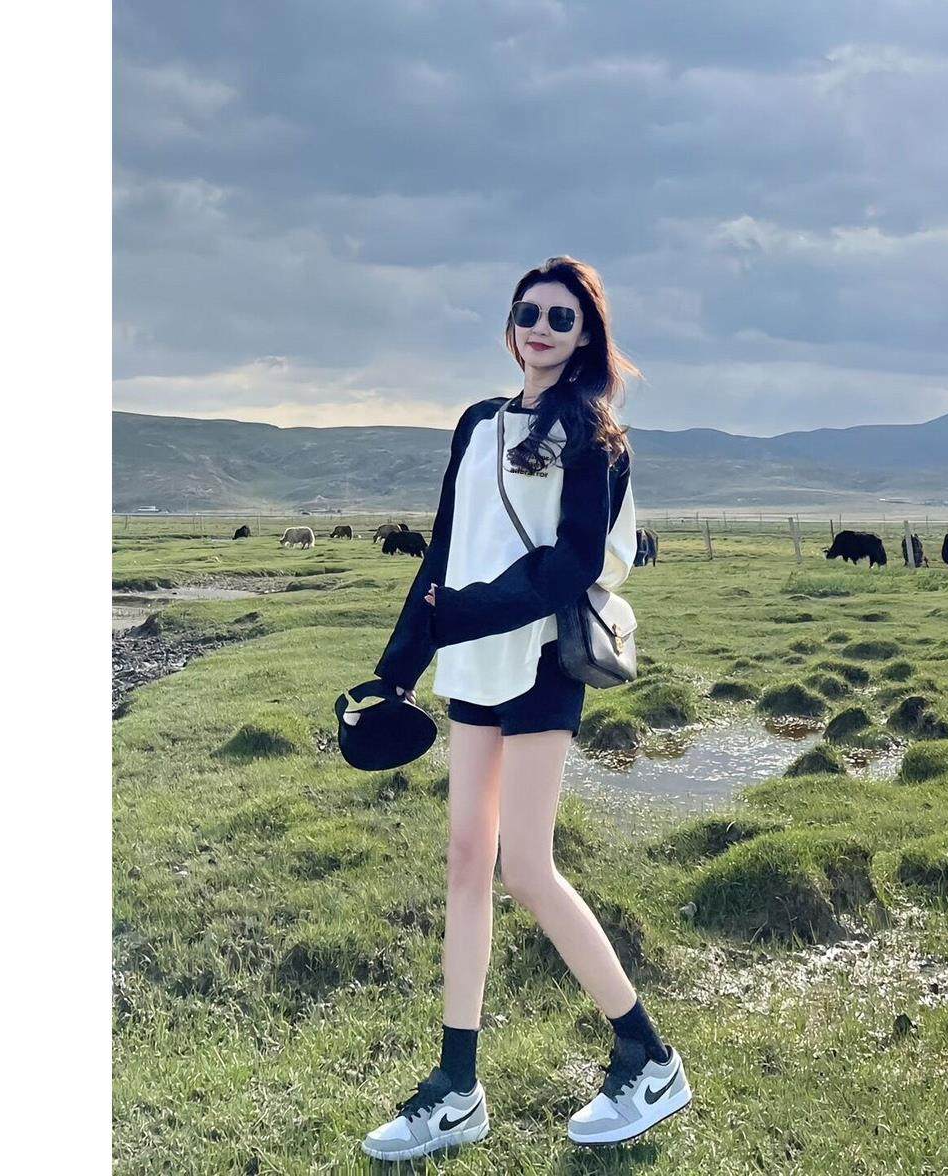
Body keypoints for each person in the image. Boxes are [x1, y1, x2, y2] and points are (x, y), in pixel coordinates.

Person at [357, 257, 692, 1161]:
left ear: (586, 336)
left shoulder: (593, 433)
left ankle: (649, 1057)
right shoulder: (477, 423)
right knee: (468, 861)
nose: (541, 326)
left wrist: (469, 612)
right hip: (472, 664)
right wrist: (397, 669)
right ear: (510, 327)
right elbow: (444, 550)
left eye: (561, 316)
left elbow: (575, 561)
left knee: (527, 868)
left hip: (543, 658)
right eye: (528, 312)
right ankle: (457, 1088)